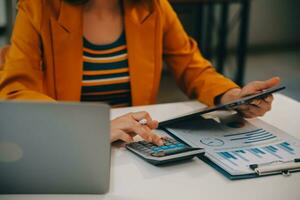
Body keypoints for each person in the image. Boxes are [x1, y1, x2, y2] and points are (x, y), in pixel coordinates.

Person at [0, 0, 280, 145]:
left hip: (136, 143)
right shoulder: (38, 5)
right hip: (71, 143)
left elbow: (192, 66)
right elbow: (15, 92)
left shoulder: (153, 5)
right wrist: (92, 128)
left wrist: (233, 96)